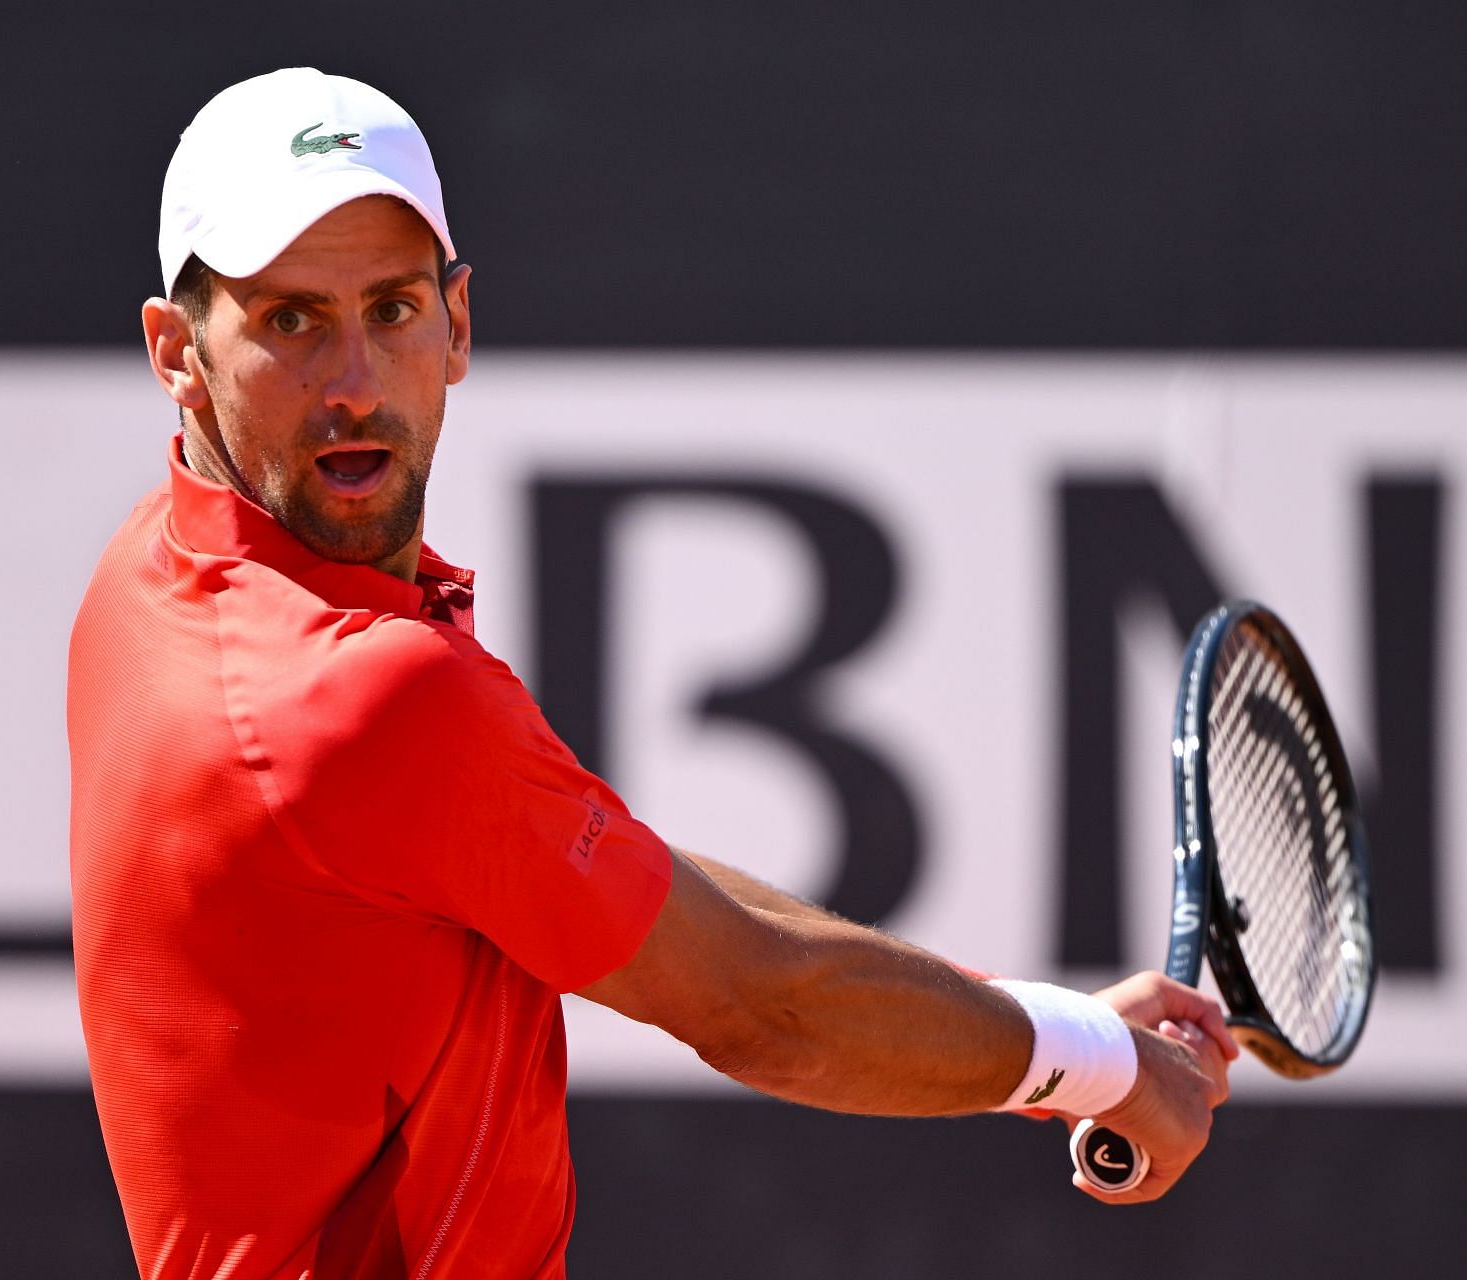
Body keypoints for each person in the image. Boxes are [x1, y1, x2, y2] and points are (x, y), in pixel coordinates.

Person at [67, 67, 1235, 1279]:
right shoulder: (361, 701)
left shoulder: (147, 576)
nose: (355, 380)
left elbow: (633, 882)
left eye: (394, 307)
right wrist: (1093, 1065)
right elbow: (756, 1001)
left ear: (457, 322)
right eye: (290, 320)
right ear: (178, 352)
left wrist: (1071, 1028)